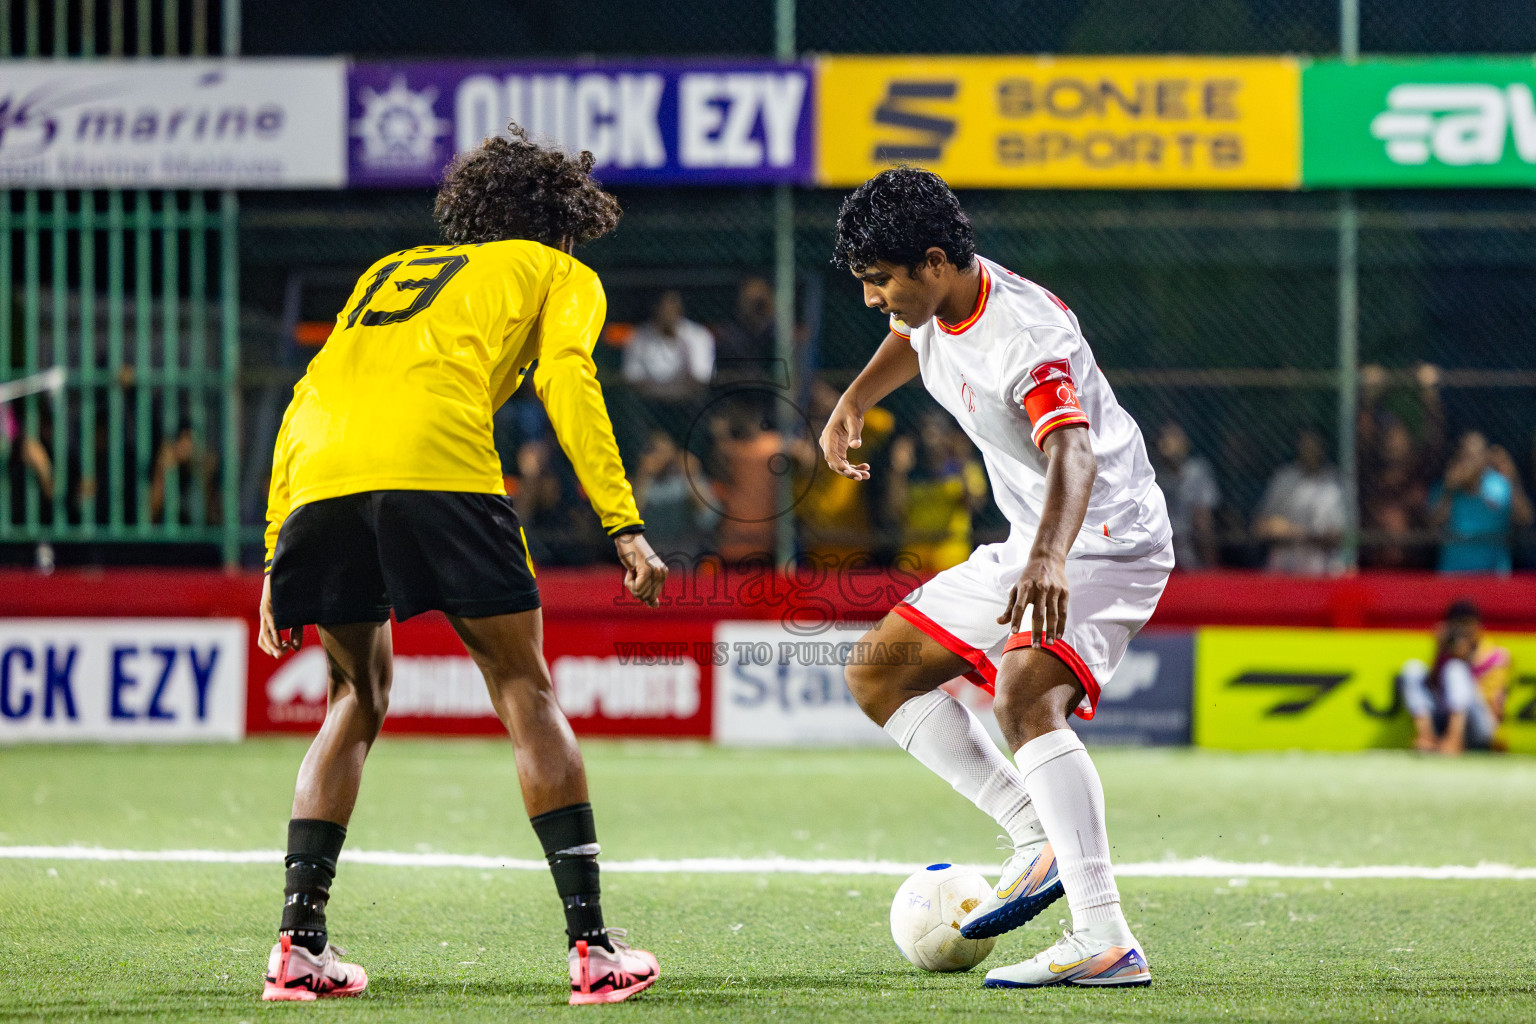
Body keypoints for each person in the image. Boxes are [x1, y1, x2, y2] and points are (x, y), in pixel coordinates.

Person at [257, 125, 665, 1006]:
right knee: (524, 689)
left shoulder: (391, 272)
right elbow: (568, 377)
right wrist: (622, 522)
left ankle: (298, 948)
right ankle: (592, 951)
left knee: (352, 697)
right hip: (440, 464)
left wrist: (273, 550)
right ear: (562, 223)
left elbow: (310, 391)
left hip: (321, 480)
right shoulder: (559, 273)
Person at [821, 168, 1170, 989]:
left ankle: (1105, 936)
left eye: (880, 281)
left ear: (935, 260)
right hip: (1036, 539)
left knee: (1022, 697)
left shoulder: (1025, 335)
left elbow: (1073, 450)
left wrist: (1049, 559)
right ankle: (1033, 836)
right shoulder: (937, 304)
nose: (872, 298)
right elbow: (911, 339)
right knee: (878, 674)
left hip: (1105, 540)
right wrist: (855, 400)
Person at [1398, 600, 1507, 754]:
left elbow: (1493, 704)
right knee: (1413, 668)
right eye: (1457, 625)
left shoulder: (1494, 656)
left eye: (1467, 624)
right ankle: (1426, 736)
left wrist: (1465, 660)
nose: (1462, 630)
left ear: (1478, 626)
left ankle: (1454, 740)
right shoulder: (1446, 649)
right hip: (1444, 720)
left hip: (1479, 725)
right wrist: (1441, 651)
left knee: (1455, 669)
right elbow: (1433, 685)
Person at [888, 410, 989, 572]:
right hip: (914, 557)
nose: (931, 435)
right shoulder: (909, 468)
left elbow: (974, 504)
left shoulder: (965, 467)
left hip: (952, 556)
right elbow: (895, 510)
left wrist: (962, 461)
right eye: (925, 429)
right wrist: (898, 472)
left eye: (938, 429)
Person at [1429, 431, 1529, 574]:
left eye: (1476, 455)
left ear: (1485, 458)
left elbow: (1525, 519)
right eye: (1466, 456)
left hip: (1493, 575)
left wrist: (1512, 481)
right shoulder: (1445, 487)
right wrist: (1449, 491)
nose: (1471, 462)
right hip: (1453, 574)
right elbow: (1433, 525)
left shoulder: (1499, 485)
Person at [1252, 429, 1346, 576]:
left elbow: (1335, 537)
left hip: (1322, 573)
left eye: (1314, 445)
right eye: (1305, 446)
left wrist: (1291, 532)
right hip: (1284, 571)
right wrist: (1309, 536)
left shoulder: (1334, 483)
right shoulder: (1284, 479)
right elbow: (1261, 527)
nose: (1310, 451)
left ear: (1322, 448)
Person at [621, 290, 714, 401]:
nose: (668, 313)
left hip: (690, 403)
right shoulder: (638, 337)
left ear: (680, 309)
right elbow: (633, 378)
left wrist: (670, 392)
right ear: (655, 309)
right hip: (648, 404)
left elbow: (701, 379)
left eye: (672, 307)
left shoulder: (699, 335)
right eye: (663, 307)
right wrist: (666, 393)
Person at [1153, 420, 1220, 570]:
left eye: (1175, 438)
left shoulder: (1197, 472)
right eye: (1165, 438)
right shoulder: (1153, 475)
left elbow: (1203, 518)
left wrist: (1209, 561)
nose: (1168, 443)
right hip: (1158, 546)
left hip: (1189, 548)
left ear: (1185, 444)